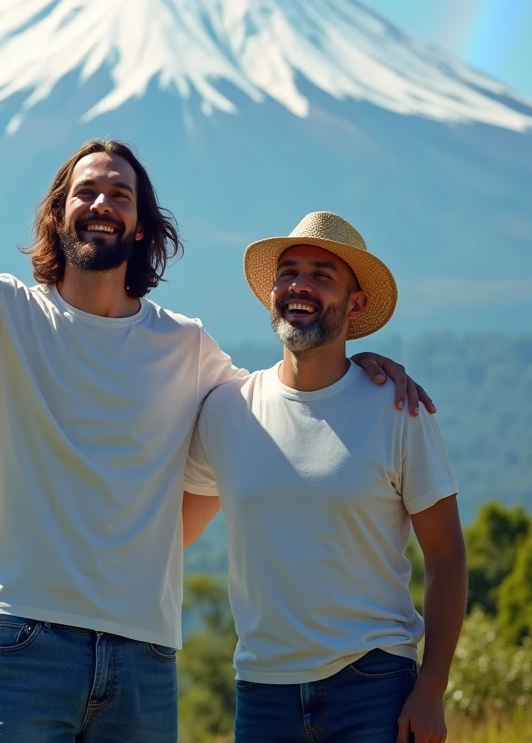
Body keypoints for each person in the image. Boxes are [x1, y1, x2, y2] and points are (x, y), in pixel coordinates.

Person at [0, 38, 434, 743]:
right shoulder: (1, 315)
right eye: (87, 190)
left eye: (120, 194)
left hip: (144, 656)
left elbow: (277, 407)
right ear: (58, 214)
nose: (102, 202)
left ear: (141, 227)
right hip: (27, 645)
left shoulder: (186, 346)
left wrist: (359, 359)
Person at [184, 211, 467, 743]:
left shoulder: (397, 408)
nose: (299, 285)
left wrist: (432, 687)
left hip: (375, 685)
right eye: (288, 271)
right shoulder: (226, 410)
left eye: (322, 275)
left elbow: (447, 555)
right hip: (262, 692)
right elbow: (176, 528)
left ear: (355, 304)